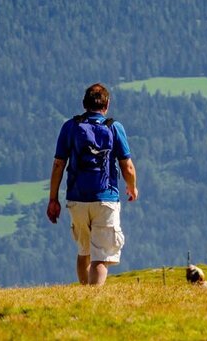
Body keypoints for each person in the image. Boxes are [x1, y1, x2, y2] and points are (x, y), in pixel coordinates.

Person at [47, 83, 138, 286]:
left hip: (77, 199)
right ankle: (92, 301)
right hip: (105, 199)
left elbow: (58, 164)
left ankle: (84, 294)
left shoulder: (70, 127)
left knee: (83, 251)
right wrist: (132, 187)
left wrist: (53, 199)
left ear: (84, 104)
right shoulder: (114, 127)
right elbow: (127, 166)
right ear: (106, 105)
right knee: (101, 257)